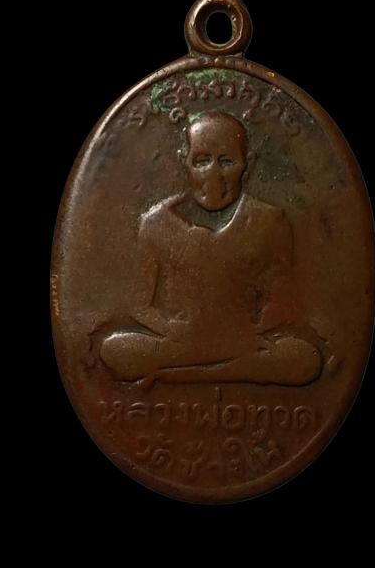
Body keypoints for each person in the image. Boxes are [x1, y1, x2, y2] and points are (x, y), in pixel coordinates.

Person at [99, 111, 327, 387]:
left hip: (242, 343)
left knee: (304, 357)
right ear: (184, 160)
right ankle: (227, 371)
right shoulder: (156, 223)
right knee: (114, 350)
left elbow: (282, 300)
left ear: (248, 163)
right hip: (180, 344)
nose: (213, 174)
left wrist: (250, 330)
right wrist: (172, 330)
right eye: (201, 161)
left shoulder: (269, 221)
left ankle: (181, 375)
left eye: (227, 161)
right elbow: (139, 304)